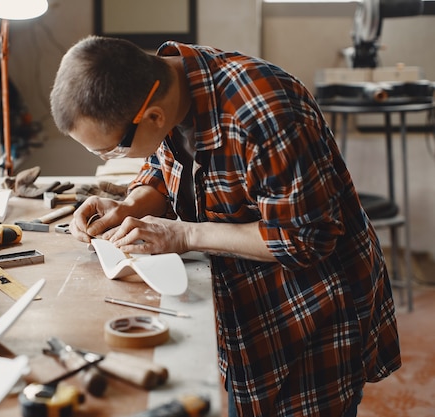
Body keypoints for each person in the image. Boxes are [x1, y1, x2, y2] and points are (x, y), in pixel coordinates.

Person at [50, 35, 401, 417]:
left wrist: (184, 234)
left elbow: (304, 238)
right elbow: (164, 167)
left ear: (153, 116)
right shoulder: (171, 85)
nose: (113, 157)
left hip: (313, 309)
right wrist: (129, 205)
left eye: (112, 150)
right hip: (245, 302)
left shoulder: (266, 112)